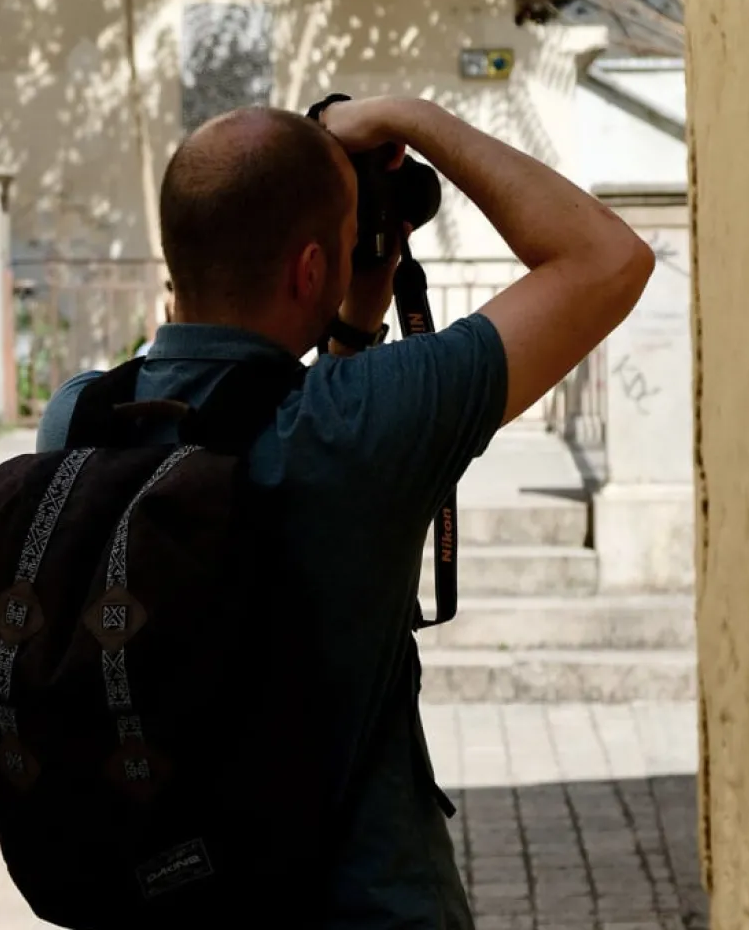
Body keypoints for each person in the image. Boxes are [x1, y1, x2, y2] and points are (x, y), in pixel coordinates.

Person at [36, 97, 654, 928]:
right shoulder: (360, 426)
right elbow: (607, 258)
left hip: (159, 895)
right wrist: (413, 115)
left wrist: (355, 319)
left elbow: (234, 419)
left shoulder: (80, 418)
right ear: (310, 270)